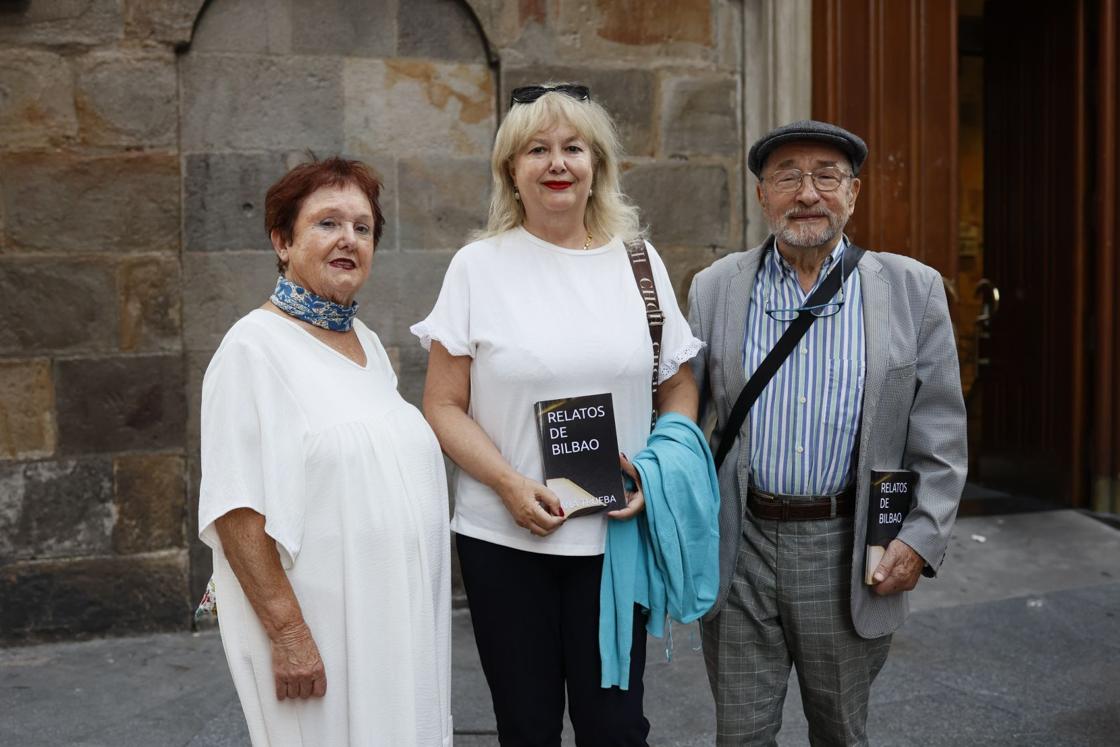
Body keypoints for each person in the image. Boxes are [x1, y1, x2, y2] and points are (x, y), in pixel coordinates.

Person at [412, 83, 703, 745]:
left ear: (596, 163)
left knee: (615, 729)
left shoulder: (640, 264)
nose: (557, 163)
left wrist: (655, 469)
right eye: (537, 149)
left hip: (611, 538)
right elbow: (442, 403)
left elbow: (679, 386)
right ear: (510, 170)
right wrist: (511, 485)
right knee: (527, 727)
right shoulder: (476, 268)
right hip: (505, 539)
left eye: (573, 147)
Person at [687, 120, 967, 745]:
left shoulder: (911, 289)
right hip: (741, 545)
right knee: (740, 734)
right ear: (762, 195)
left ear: (854, 193)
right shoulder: (714, 289)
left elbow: (941, 434)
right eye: (787, 176)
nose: (807, 193)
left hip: (846, 550)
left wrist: (920, 539)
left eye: (826, 176)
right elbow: (682, 414)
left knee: (840, 730)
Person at [197, 157, 452, 746]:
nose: (348, 240)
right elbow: (236, 510)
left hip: (394, 623)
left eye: (362, 228)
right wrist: (288, 633)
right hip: (319, 632)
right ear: (282, 241)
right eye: (327, 224)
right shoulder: (251, 350)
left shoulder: (362, 340)